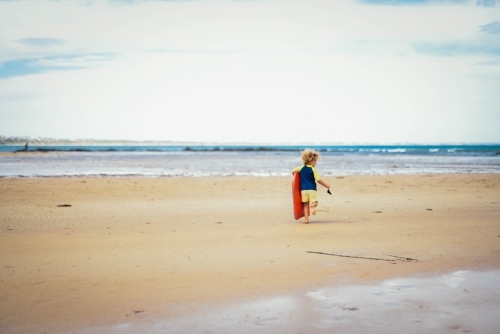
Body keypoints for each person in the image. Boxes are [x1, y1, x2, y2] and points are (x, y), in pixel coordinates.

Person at [292, 149, 330, 224]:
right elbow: (318, 180)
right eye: (315, 161)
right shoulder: (313, 169)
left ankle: (306, 219)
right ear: (311, 160)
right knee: (315, 202)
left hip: (303, 190)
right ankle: (312, 206)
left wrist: (297, 178)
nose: (316, 163)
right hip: (312, 189)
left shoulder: (300, 168)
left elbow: (293, 172)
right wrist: (326, 185)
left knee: (305, 204)